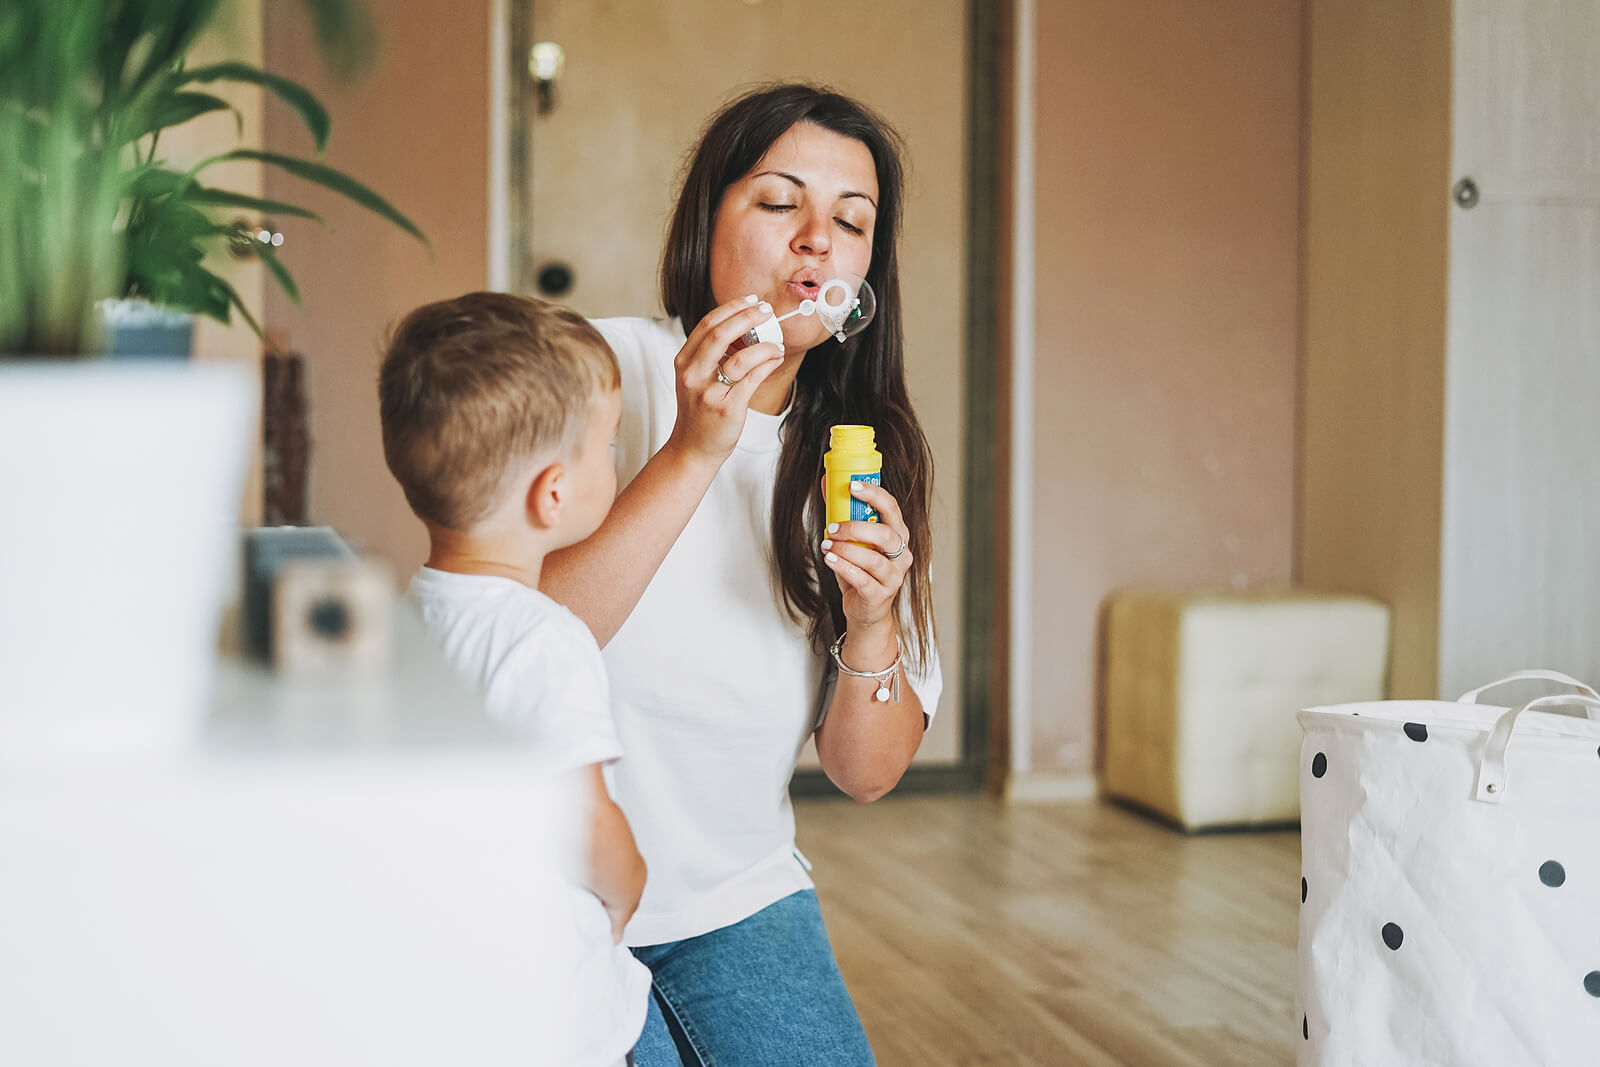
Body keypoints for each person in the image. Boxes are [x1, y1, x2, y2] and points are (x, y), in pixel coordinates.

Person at [542, 84, 942, 1066]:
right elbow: (523, 631)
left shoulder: (860, 457)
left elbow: (867, 770)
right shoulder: (600, 368)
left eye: (852, 222)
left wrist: (873, 617)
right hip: (551, 888)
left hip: (738, 897)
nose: (818, 240)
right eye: (778, 203)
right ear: (704, 222)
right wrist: (692, 450)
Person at [378, 292, 651, 1067]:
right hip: (563, 1013)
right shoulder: (544, 640)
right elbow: (584, 818)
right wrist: (628, 879)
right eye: (608, 444)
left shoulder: (413, 615)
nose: (616, 460)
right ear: (553, 493)